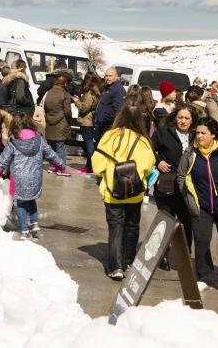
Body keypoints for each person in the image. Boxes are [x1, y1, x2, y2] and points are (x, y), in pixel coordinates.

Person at [92, 99, 156, 280]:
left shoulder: (109, 136)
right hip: (134, 192)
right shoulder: (143, 140)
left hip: (112, 192)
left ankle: (115, 267)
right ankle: (128, 260)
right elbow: (148, 166)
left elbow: (97, 165)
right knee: (132, 226)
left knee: (116, 228)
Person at [177, 117, 218, 282]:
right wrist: (188, 197)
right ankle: (203, 275)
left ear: (213, 134)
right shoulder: (190, 152)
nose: (199, 136)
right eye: (197, 133)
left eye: (203, 133)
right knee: (202, 241)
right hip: (202, 206)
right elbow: (181, 175)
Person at [0, 113, 64, 239]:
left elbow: (3, 161)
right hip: (35, 178)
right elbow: (50, 153)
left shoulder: (13, 142)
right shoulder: (39, 139)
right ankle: (34, 223)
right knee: (31, 199)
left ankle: (24, 230)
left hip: (19, 179)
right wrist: (60, 164)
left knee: (21, 204)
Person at [151, 104, 197, 269]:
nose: (183, 121)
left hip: (188, 188)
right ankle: (159, 257)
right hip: (167, 184)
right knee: (164, 221)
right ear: (175, 118)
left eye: (187, 118)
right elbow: (149, 148)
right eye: (180, 117)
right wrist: (158, 162)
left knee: (186, 224)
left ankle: (184, 258)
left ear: (192, 121)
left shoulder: (196, 136)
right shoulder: (164, 132)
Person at [44, 71, 73, 176]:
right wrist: (69, 120)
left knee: (51, 146)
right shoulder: (65, 93)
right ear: (65, 83)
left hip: (50, 122)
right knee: (61, 146)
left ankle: (52, 166)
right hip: (61, 123)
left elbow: (45, 106)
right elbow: (67, 111)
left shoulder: (50, 91)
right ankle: (61, 168)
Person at [73, 76, 101, 174]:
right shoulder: (95, 93)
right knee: (90, 145)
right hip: (91, 121)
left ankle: (90, 167)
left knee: (89, 146)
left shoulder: (88, 94)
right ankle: (90, 166)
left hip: (86, 122)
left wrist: (77, 101)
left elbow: (84, 108)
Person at [94, 66, 127, 146]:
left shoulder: (118, 90)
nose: (108, 78)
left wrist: (104, 118)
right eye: (106, 75)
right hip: (101, 126)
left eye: (110, 76)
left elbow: (116, 110)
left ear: (116, 77)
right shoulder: (107, 88)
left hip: (108, 126)